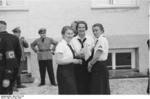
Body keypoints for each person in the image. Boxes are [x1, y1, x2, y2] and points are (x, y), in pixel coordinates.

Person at [55, 26, 82, 94]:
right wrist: (72, 60)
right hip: (64, 72)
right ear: (63, 34)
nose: (70, 35)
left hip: (70, 71)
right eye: (68, 33)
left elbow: (67, 56)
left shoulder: (68, 44)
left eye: (71, 33)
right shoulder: (61, 45)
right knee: (68, 92)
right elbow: (58, 61)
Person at [71, 21, 94, 94]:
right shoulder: (72, 40)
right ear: (77, 29)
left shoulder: (90, 39)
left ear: (86, 28)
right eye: (79, 27)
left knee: (89, 83)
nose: (81, 29)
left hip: (88, 64)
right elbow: (72, 53)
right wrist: (77, 55)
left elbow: (93, 50)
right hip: (78, 64)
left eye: (83, 27)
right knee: (79, 84)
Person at [88, 23, 110, 94]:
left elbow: (98, 54)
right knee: (99, 87)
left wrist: (90, 64)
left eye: (96, 30)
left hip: (100, 67)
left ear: (102, 31)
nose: (95, 32)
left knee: (99, 88)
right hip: (99, 66)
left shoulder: (101, 40)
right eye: (93, 31)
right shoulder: (98, 40)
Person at [0, 20, 21, 94]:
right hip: (10, 72)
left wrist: (7, 77)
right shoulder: (14, 38)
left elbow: (11, 58)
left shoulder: (9, 38)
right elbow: (18, 58)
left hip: (3, 74)